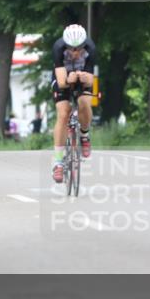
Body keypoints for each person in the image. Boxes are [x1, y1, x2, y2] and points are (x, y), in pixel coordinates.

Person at [50, 24, 96, 183]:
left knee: (84, 103)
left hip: (82, 78)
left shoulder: (91, 48)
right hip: (63, 77)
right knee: (63, 113)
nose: (75, 52)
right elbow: (62, 82)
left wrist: (83, 77)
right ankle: (58, 163)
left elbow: (91, 79)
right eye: (71, 49)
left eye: (79, 49)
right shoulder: (58, 48)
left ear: (85, 44)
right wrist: (70, 79)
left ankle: (84, 134)